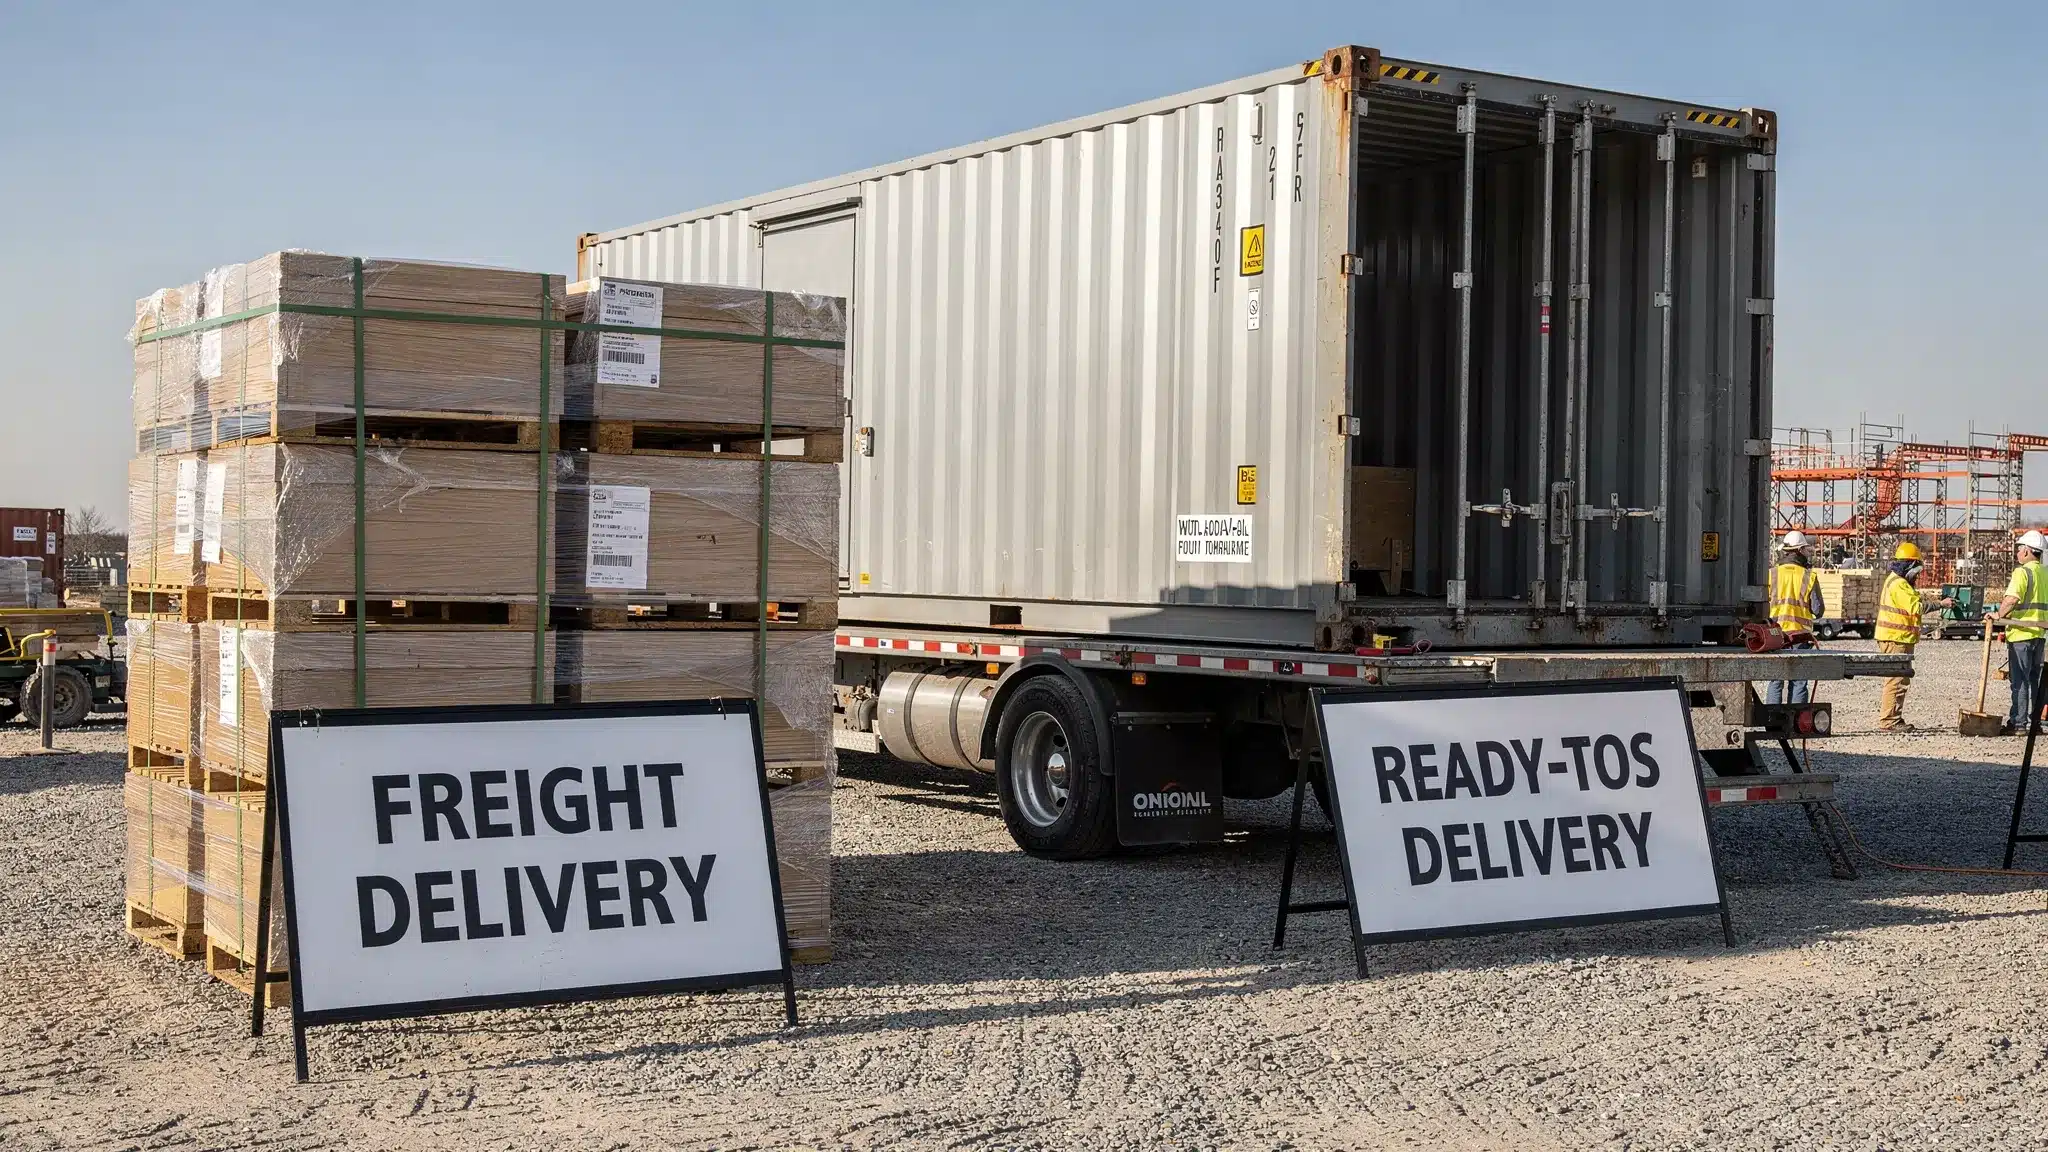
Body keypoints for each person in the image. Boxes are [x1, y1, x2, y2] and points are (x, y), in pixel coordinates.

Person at [1874, 542, 1951, 731]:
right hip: (1896, 638)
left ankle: (1892, 718)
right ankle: (1889, 721)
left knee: (1899, 679)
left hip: (1896, 637)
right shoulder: (1899, 584)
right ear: (1909, 565)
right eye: (1916, 570)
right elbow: (1916, 607)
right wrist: (1941, 604)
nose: (1916, 575)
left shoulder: (1896, 582)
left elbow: (1913, 601)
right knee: (1896, 680)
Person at [1986, 530, 2048, 735]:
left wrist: (1998, 615)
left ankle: (2019, 724)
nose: (2018, 552)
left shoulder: (2023, 572)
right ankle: (2036, 724)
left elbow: (2012, 599)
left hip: (2021, 633)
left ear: (2029, 551)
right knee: (2035, 680)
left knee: (2020, 679)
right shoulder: (2045, 573)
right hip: (2039, 634)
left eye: (2020, 548)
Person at [1766, 531, 1825, 705]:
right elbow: (1818, 609)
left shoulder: (1771, 574)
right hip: (1800, 636)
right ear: (1799, 550)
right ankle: (1796, 722)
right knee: (1799, 681)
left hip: (1776, 635)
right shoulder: (1808, 576)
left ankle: (1772, 723)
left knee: (1775, 680)